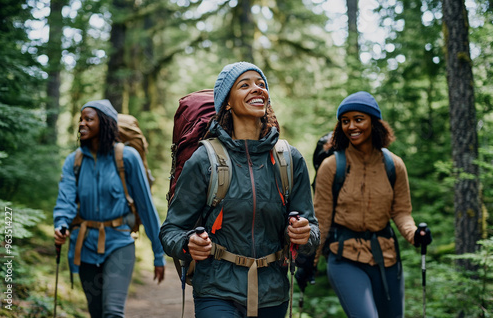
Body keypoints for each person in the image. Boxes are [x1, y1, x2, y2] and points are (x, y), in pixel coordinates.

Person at [160, 62, 319, 318]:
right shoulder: (205, 160)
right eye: (244, 85)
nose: (257, 89)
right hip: (216, 290)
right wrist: (188, 243)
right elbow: (171, 230)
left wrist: (305, 234)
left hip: (273, 293)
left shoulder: (289, 160)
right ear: (227, 103)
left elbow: (312, 232)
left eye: (261, 84)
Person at [313, 91, 433, 318]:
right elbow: (322, 219)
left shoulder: (394, 165)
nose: (351, 126)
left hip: (386, 257)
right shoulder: (331, 166)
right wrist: (310, 260)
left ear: (374, 122)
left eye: (359, 119)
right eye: (345, 121)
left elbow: (401, 211)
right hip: (344, 257)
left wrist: (415, 234)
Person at [53, 100, 165, 318]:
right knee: (96, 313)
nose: (81, 124)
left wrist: (158, 253)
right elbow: (65, 199)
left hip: (119, 244)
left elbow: (146, 207)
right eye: (80, 119)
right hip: (84, 246)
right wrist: (61, 223)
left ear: (104, 124)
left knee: (112, 313)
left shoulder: (127, 157)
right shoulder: (73, 161)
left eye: (89, 119)